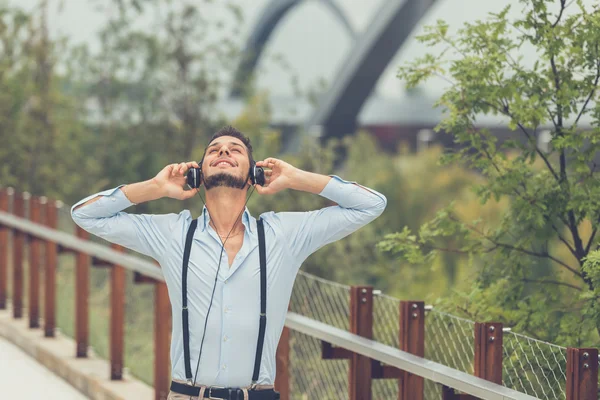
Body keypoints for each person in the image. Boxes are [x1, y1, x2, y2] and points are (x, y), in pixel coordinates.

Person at [71, 125, 387, 400]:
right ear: (198, 174)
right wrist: (154, 187)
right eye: (214, 150)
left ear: (254, 175)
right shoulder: (174, 233)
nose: (224, 151)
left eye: (235, 149)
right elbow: (84, 214)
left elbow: (370, 205)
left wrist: (297, 178)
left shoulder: (283, 235)